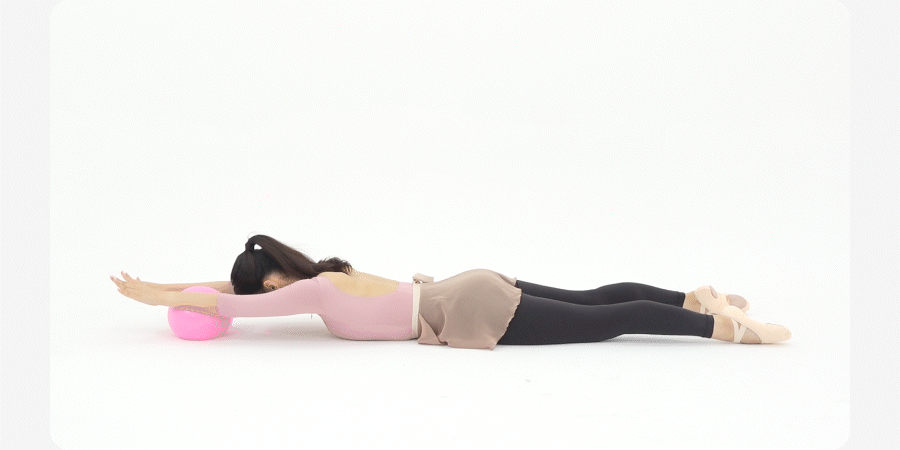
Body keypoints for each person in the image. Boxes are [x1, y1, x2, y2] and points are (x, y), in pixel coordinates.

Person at [111, 234, 791, 349]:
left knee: (602, 321)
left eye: (265, 289)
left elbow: (232, 304)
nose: (267, 298)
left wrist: (157, 300)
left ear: (274, 284)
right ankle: (692, 298)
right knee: (593, 299)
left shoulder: (310, 292)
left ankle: (728, 329)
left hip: (465, 307)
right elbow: (231, 289)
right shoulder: (321, 273)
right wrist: (164, 284)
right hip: (465, 284)